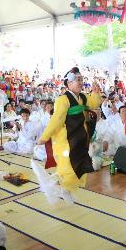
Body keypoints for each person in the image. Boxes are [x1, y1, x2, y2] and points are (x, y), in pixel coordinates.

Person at [36, 67, 101, 202]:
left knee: (79, 166)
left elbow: (95, 102)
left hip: (80, 139)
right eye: (78, 79)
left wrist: (95, 93)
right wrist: (45, 137)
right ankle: (63, 188)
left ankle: (67, 189)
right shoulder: (63, 99)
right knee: (68, 167)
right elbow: (57, 120)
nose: (81, 82)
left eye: (82, 79)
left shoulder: (83, 97)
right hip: (66, 140)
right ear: (69, 83)